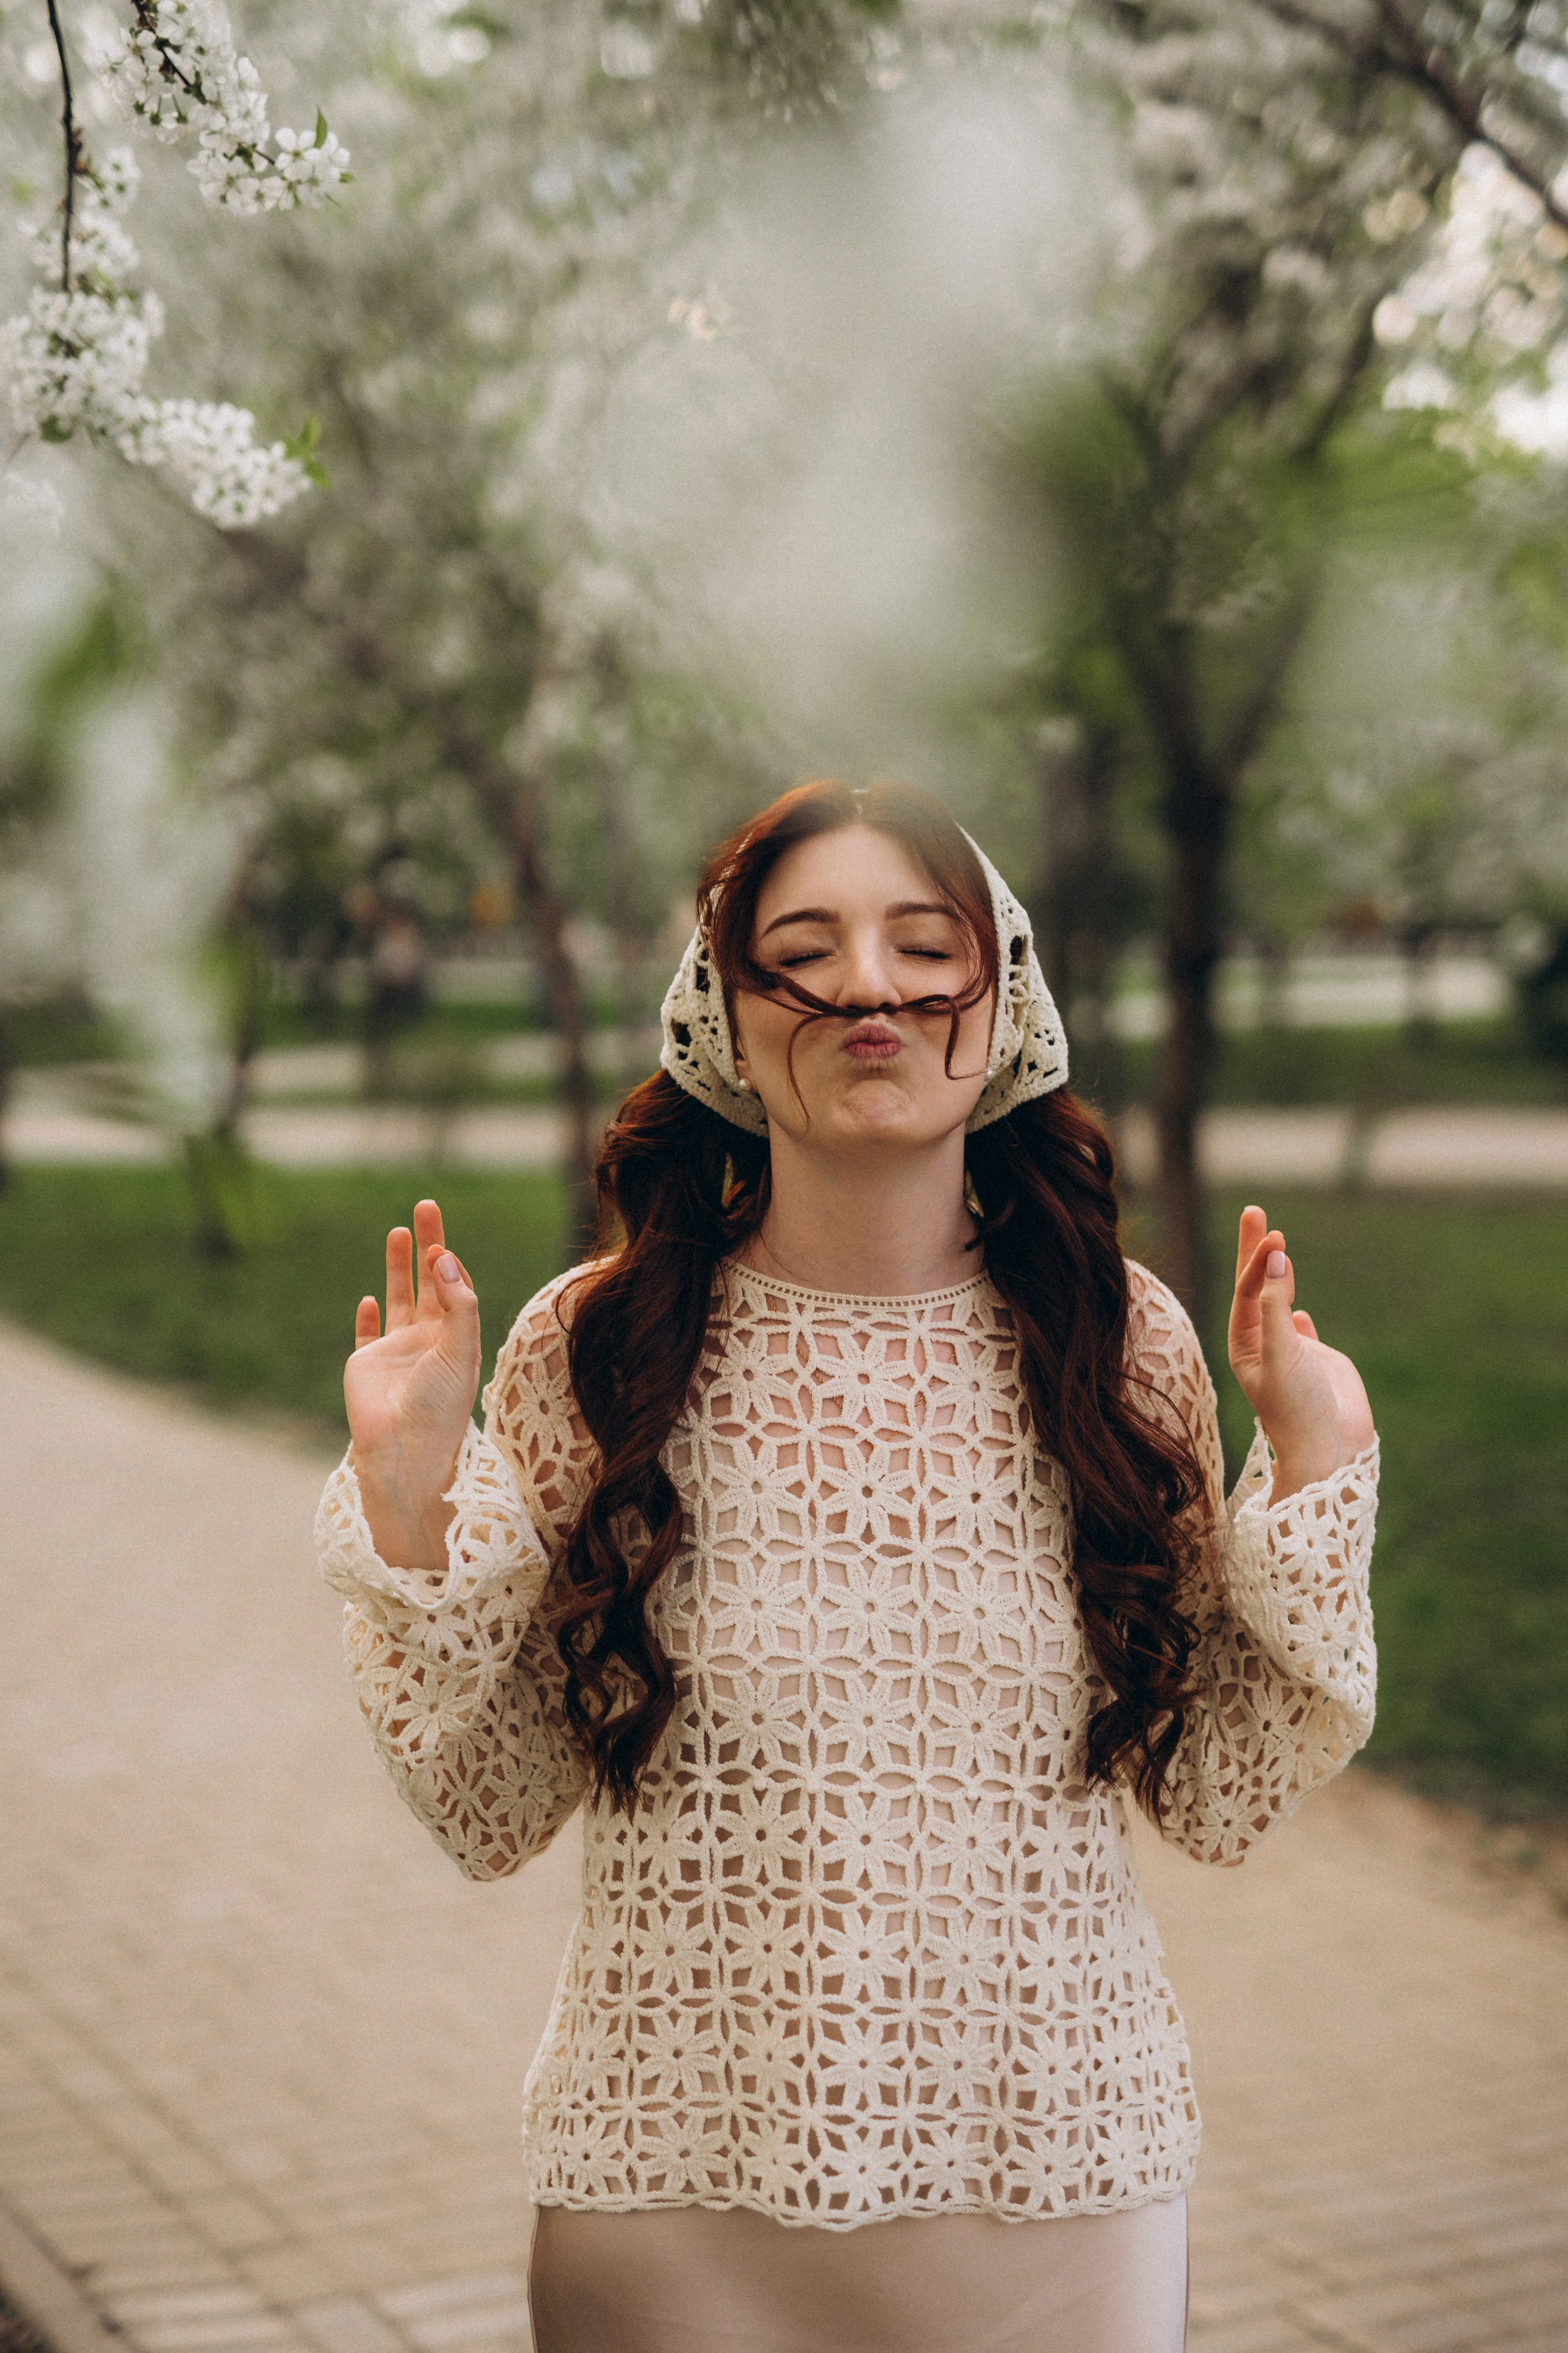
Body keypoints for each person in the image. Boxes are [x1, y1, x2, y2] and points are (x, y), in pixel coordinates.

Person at [315, 779, 1379, 2353]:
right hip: (669, 2198)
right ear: (726, 1019)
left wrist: (1310, 1466)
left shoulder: (1118, 1341)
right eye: (802, 950)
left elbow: (1213, 1791)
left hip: (1058, 2187)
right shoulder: (592, 1351)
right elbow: (491, 1806)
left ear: (998, 991)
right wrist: (412, 1512)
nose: (867, 987)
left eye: (918, 944)